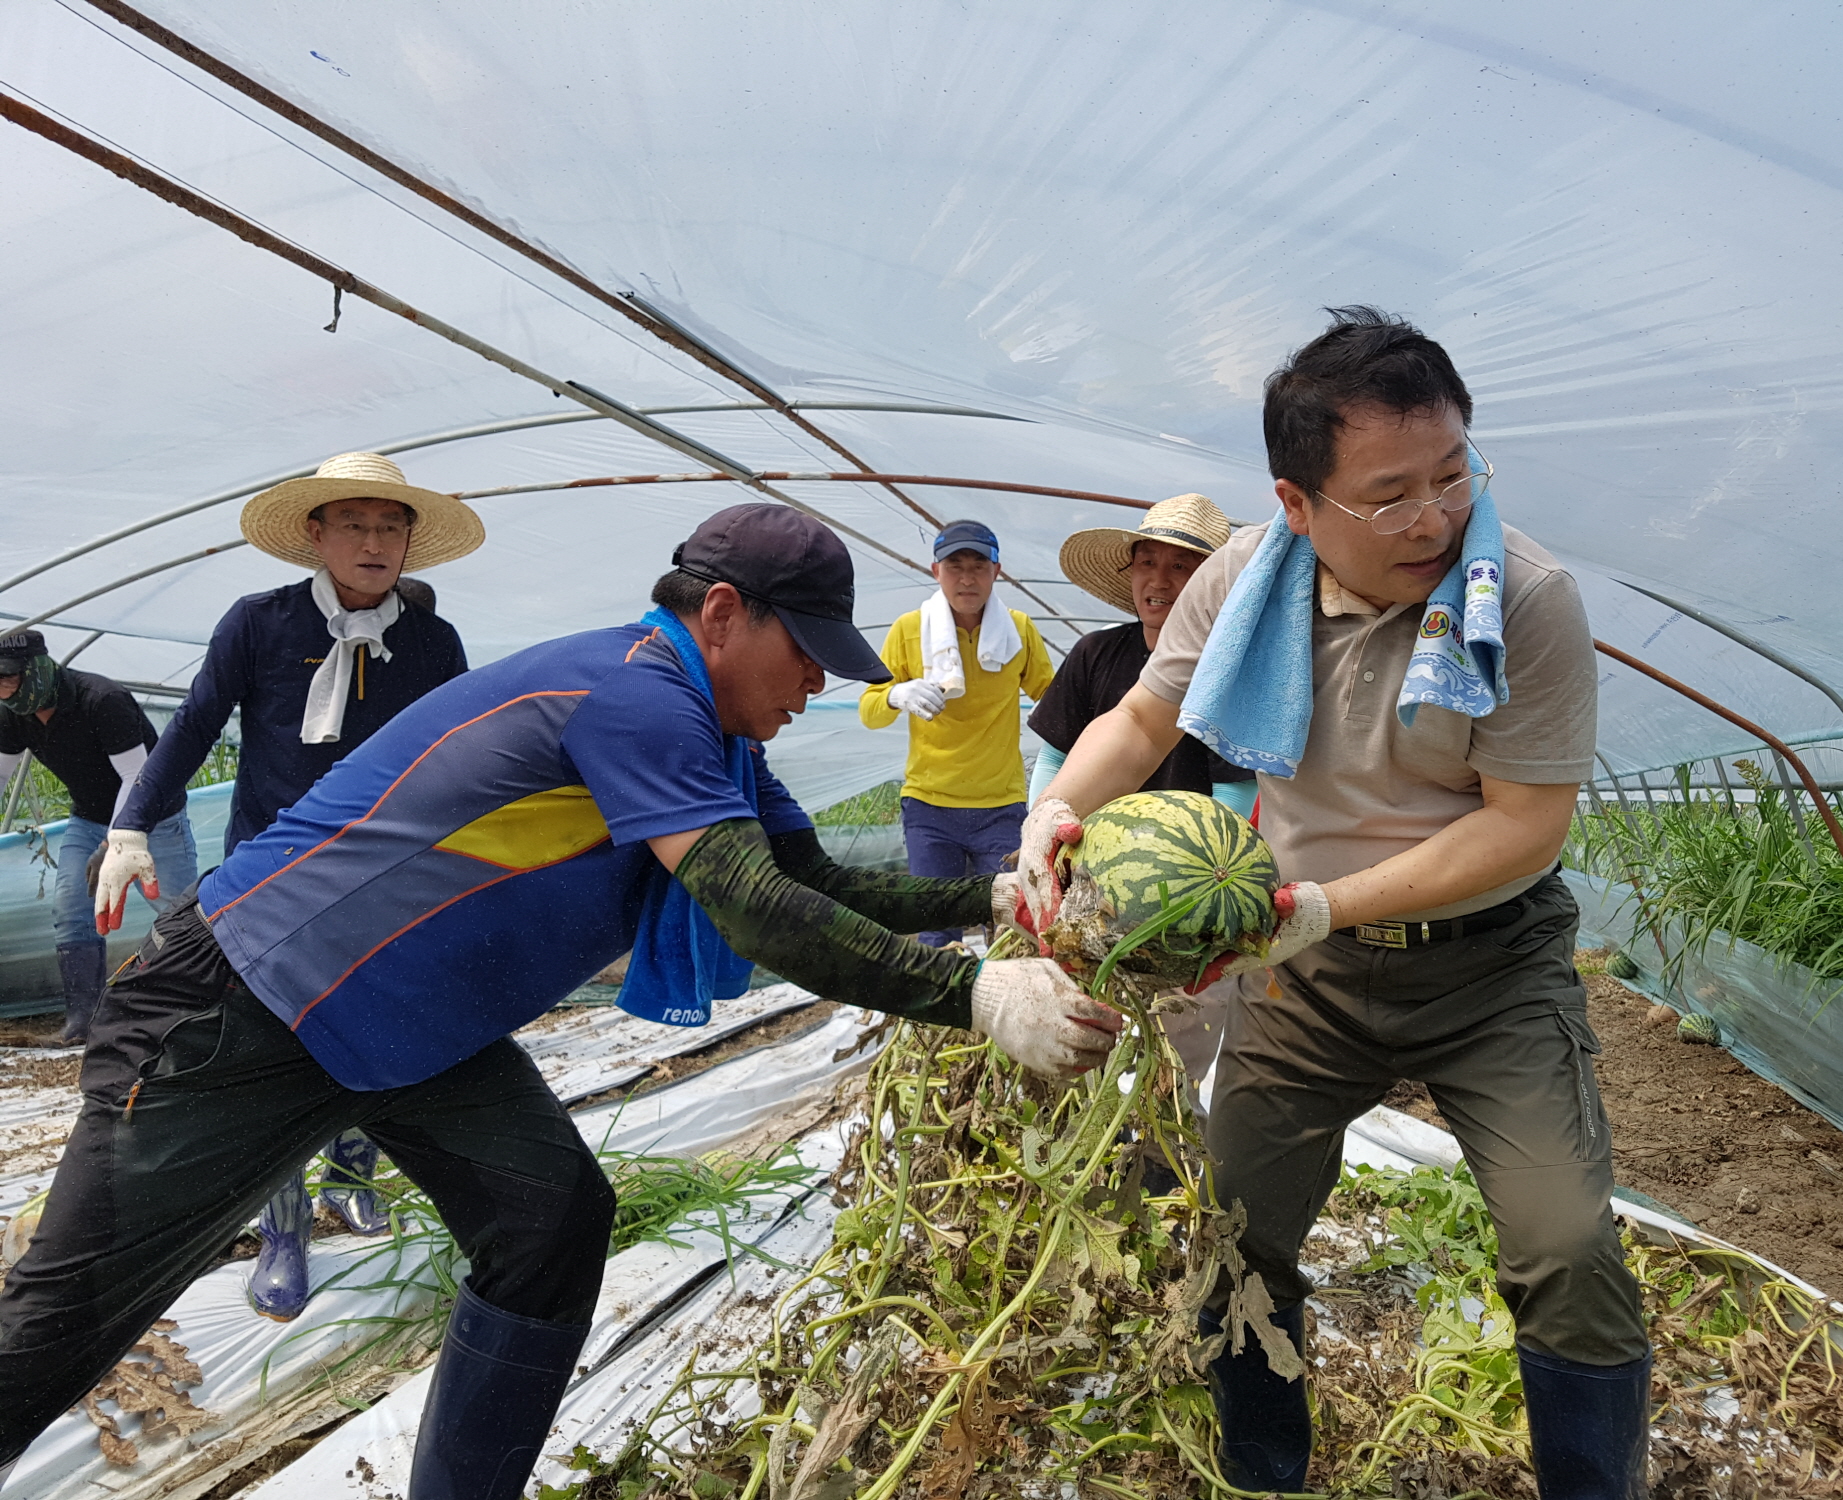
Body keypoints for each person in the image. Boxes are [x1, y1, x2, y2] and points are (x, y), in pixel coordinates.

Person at [0, 504, 1118, 1500]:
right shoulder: (633, 694)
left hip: (406, 1030)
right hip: (243, 1007)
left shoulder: (713, 734)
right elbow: (754, 910)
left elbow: (807, 880)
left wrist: (992, 898)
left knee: (548, 1224)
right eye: (807, 654)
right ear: (723, 614)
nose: (819, 685)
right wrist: (975, 997)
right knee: (60, 1329)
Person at [1018, 309, 1648, 1498]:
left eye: (1452, 475)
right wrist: (1053, 810)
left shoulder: (1519, 597)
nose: (1432, 517)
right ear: (1296, 504)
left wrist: (1319, 903)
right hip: (1306, 977)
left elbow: (1523, 823)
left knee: (1564, 1246)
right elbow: (1146, 718)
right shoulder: (1239, 586)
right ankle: (1264, 1471)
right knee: (1231, 1234)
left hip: (1487, 967)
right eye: (1389, 493)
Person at [100, 451, 478, 1323]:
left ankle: (350, 1174)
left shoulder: (431, 642)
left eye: (392, 527)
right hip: (271, 865)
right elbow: (194, 726)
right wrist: (129, 826)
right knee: (276, 1040)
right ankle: (280, 1227)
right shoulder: (259, 624)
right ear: (317, 534)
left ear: (410, 542)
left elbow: (463, 753)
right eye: (356, 524)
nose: (376, 542)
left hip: (387, 869)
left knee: (376, 1021)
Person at [1028, 493, 1256, 1103]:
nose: (1158, 581)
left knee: (1176, 1056)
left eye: (1180, 567)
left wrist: (1192, 891)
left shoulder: (1232, 673)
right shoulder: (1097, 654)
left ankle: (1162, 1155)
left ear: (1210, 583)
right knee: (1079, 1045)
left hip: (1186, 901)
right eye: (1146, 562)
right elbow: (1055, 757)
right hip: (1090, 886)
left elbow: (1233, 796)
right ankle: (1082, 1134)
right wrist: (1042, 835)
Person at [860, 519, 1054, 945]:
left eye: (979, 566)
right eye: (954, 566)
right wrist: (897, 694)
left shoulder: (1018, 631)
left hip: (1000, 805)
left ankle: (1011, 1008)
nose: (967, 578)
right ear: (936, 572)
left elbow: (1054, 700)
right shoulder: (909, 629)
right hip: (930, 807)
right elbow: (870, 710)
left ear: (997, 572)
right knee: (935, 925)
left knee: (1013, 926)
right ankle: (940, 1012)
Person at [0, 631, 199, 1043]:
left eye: (8, 677)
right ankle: (83, 1023)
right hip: (88, 816)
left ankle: (198, 1011)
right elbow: (0, 774)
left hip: (153, 817)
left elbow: (137, 778)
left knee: (179, 910)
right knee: (72, 907)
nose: (2, 689)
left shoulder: (102, 700)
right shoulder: (12, 714)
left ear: (35, 670)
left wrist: (115, 843)